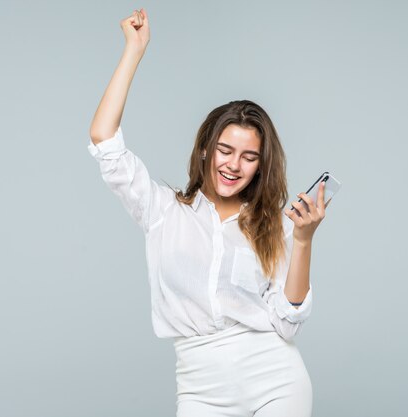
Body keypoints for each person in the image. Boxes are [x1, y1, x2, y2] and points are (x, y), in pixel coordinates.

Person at [87, 8, 331, 417]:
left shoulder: (274, 226)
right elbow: (104, 140)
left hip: (276, 379)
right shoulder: (163, 210)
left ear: (260, 166)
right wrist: (134, 49)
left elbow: (288, 322)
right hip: (200, 389)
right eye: (225, 150)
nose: (234, 165)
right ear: (205, 149)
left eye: (249, 157)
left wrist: (304, 239)